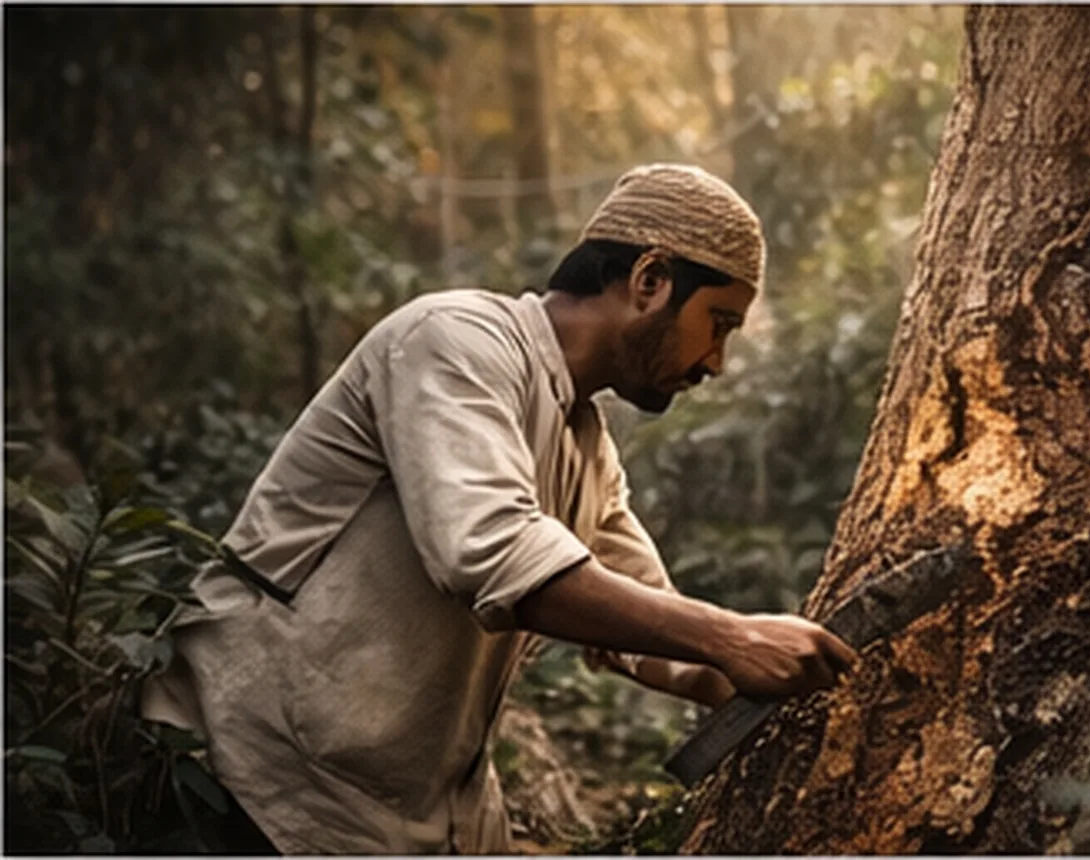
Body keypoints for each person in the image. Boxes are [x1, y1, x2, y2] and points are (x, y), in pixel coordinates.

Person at [143, 164, 858, 854]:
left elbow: (644, 619)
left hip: (387, 811)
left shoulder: (586, 449)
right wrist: (732, 637)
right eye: (720, 322)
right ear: (650, 280)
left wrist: (788, 681)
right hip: (248, 779)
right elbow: (487, 551)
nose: (718, 361)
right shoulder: (453, 341)